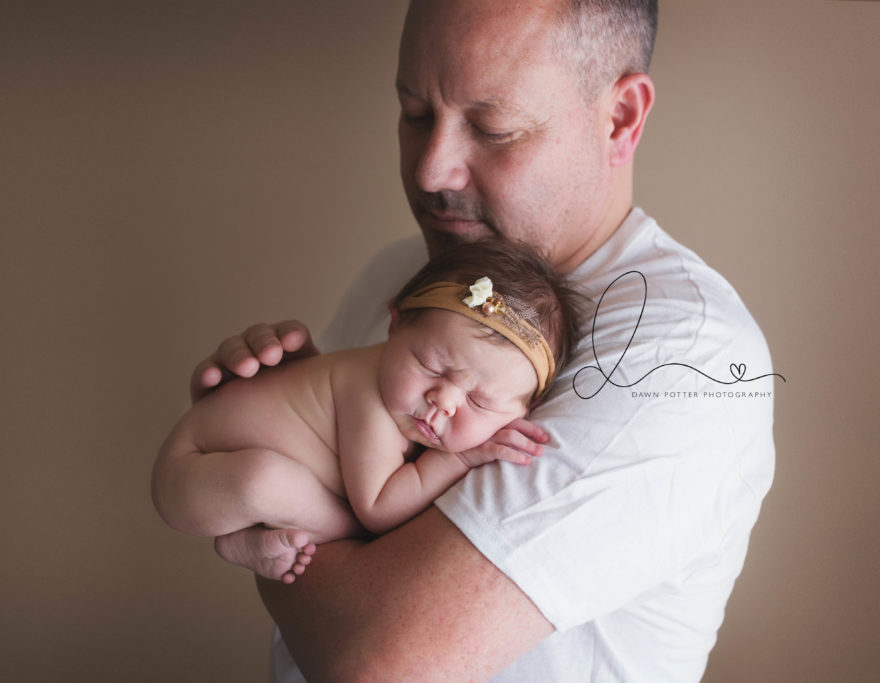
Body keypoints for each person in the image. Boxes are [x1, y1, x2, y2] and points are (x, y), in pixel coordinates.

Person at [191, 0, 776, 681]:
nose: (430, 171)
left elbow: (378, 663)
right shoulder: (400, 275)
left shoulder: (682, 356)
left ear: (619, 118)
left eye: (493, 128)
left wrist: (267, 498)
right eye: (414, 114)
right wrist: (253, 419)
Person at [153, 241, 581, 584]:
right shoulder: (371, 395)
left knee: (268, 479)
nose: (443, 402)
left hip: (226, 465)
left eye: (479, 402)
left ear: (528, 410)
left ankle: (243, 541)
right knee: (264, 482)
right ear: (394, 325)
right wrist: (462, 456)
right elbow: (378, 509)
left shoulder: (407, 396)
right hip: (196, 469)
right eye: (429, 366)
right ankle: (240, 540)